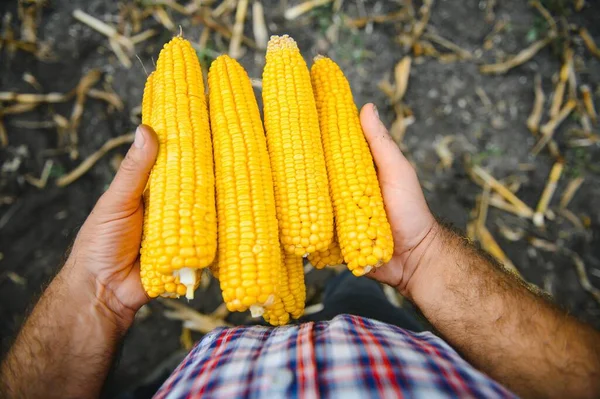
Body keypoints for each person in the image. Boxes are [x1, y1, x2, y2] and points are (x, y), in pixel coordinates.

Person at [1, 104, 599, 399]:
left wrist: (94, 296)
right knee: (359, 293)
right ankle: (351, 297)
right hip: (389, 342)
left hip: (207, 375)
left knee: (351, 289)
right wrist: (422, 260)